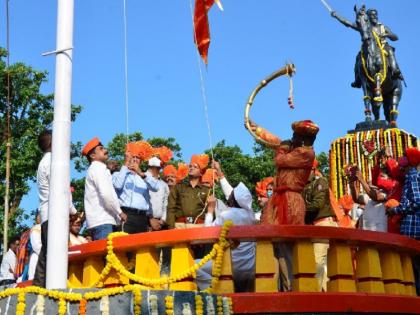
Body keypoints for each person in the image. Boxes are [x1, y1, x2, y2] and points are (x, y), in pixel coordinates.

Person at [33, 130, 77, 287]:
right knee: (53, 254)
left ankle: (39, 288)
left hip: (49, 215)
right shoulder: (53, 161)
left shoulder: (45, 161)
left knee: (47, 254)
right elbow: (61, 190)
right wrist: (73, 211)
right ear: (52, 143)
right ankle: (43, 289)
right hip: (55, 215)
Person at [196, 183, 256, 292]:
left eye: (231, 195)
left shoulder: (226, 215)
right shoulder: (251, 216)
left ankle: (215, 290)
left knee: (193, 266)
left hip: (229, 266)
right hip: (250, 266)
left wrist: (210, 209)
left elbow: (207, 234)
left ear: (233, 200)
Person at [331, 6, 403, 86]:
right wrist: (336, 16)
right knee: (358, 58)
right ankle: (357, 80)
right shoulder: (365, 27)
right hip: (368, 47)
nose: (374, 16)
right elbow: (348, 23)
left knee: (390, 51)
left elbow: (395, 37)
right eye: (372, 15)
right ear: (368, 17)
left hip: (382, 46)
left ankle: (395, 70)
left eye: (375, 15)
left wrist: (387, 34)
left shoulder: (383, 27)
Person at [386, 147, 420, 294]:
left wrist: (396, 210)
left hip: (414, 230)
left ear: (410, 161)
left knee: (416, 270)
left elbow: (417, 201)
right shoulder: (409, 177)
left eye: (404, 156)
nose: (401, 159)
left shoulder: (413, 176)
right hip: (410, 229)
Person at [83, 137, 127, 240]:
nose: (105, 150)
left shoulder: (99, 169)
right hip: (102, 221)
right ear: (93, 155)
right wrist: (119, 212)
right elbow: (106, 194)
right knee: (106, 255)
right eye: (101, 149)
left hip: (104, 220)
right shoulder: (97, 169)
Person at [303, 160, 337, 292]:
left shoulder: (320, 181)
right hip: (311, 227)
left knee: (318, 262)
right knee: (316, 264)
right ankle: (323, 295)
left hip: (323, 224)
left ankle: (316, 296)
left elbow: (318, 204)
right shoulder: (303, 186)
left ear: (312, 168)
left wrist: (299, 209)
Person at [112, 142, 160, 234]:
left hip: (142, 217)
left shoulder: (145, 175)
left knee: (141, 247)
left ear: (141, 160)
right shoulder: (118, 174)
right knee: (125, 245)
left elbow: (156, 187)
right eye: (132, 157)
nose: (134, 159)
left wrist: (141, 173)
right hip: (126, 214)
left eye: (137, 157)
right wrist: (125, 166)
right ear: (126, 158)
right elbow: (117, 185)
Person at [166, 154, 211, 229]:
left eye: (195, 167)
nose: (191, 168)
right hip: (179, 226)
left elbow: (210, 211)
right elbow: (171, 208)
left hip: (199, 226)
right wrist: (171, 227)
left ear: (201, 172)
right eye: (190, 166)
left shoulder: (207, 191)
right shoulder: (178, 187)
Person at [349, 167, 387, 232]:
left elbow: (375, 197)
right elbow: (357, 199)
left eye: (382, 176)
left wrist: (361, 179)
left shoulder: (387, 192)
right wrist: (352, 183)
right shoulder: (369, 195)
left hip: (380, 232)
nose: (379, 178)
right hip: (367, 232)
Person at [147, 156, 170, 231]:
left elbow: (166, 204)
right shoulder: (142, 179)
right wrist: (151, 219)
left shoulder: (164, 185)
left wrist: (162, 220)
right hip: (145, 221)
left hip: (160, 223)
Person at [28, 213, 42, 280]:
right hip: (38, 256)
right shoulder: (36, 228)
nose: (40, 217)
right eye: (38, 216)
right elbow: (36, 246)